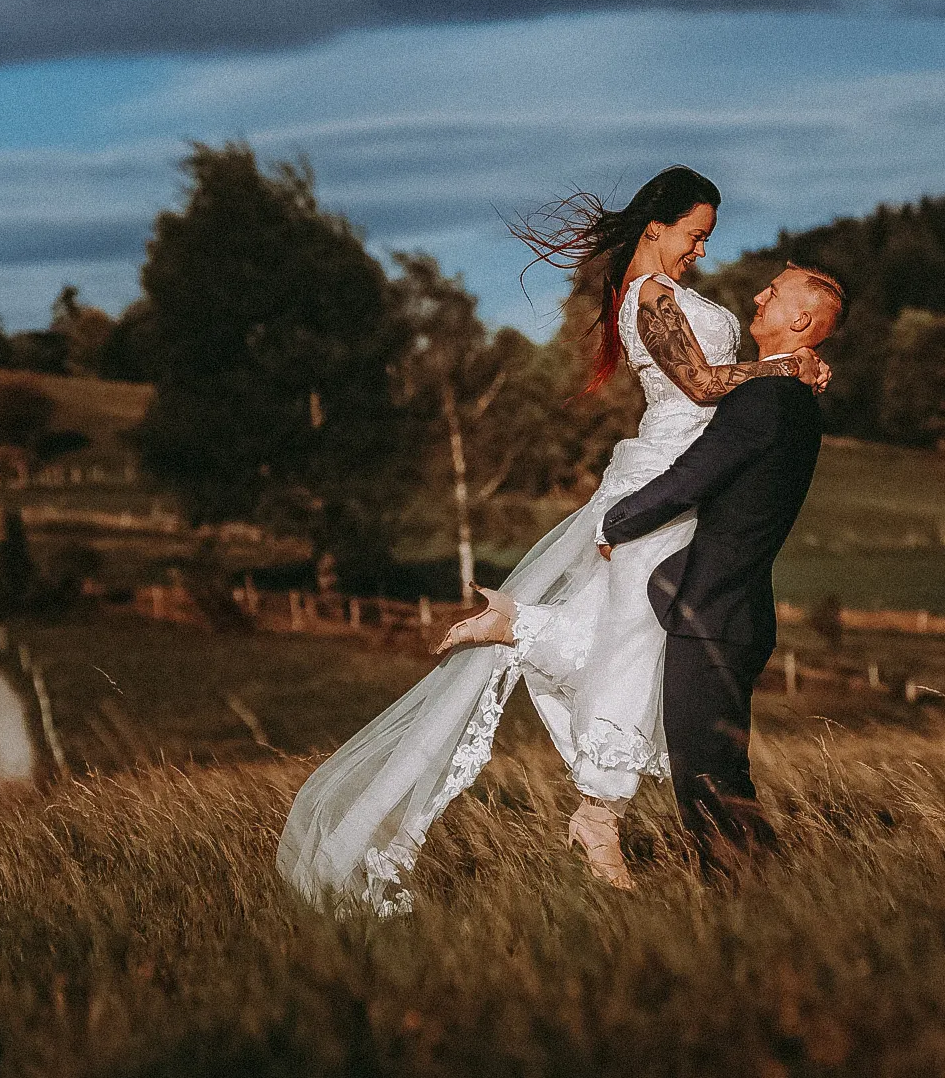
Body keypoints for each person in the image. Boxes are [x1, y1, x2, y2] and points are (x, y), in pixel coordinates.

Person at [276, 167, 828, 913]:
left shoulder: (668, 292)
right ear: (655, 227)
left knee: (634, 634)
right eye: (696, 234)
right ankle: (598, 813)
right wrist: (781, 366)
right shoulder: (652, 295)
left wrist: (783, 368)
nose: (702, 250)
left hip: (688, 474)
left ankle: (525, 636)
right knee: (635, 640)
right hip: (666, 476)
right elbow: (699, 385)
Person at [599, 263, 844, 877]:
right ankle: (756, 902)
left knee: (708, 787)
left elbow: (691, 479)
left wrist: (614, 523)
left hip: (713, 613)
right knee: (719, 781)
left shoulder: (766, 398)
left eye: (774, 293)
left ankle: (755, 906)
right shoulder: (790, 396)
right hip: (735, 609)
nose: (758, 296)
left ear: (802, 321)